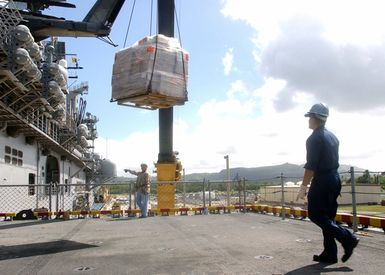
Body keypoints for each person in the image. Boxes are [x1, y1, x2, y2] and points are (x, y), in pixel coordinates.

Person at [297, 103, 359, 264]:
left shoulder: (314, 138)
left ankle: (347, 238)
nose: (308, 120)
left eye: (310, 117)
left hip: (322, 180)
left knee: (315, 214)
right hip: (334, 179)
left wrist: (303, 188)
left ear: (315, 118)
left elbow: (311, 166)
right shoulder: (333, 136)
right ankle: (330, 252)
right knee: (328, 217)